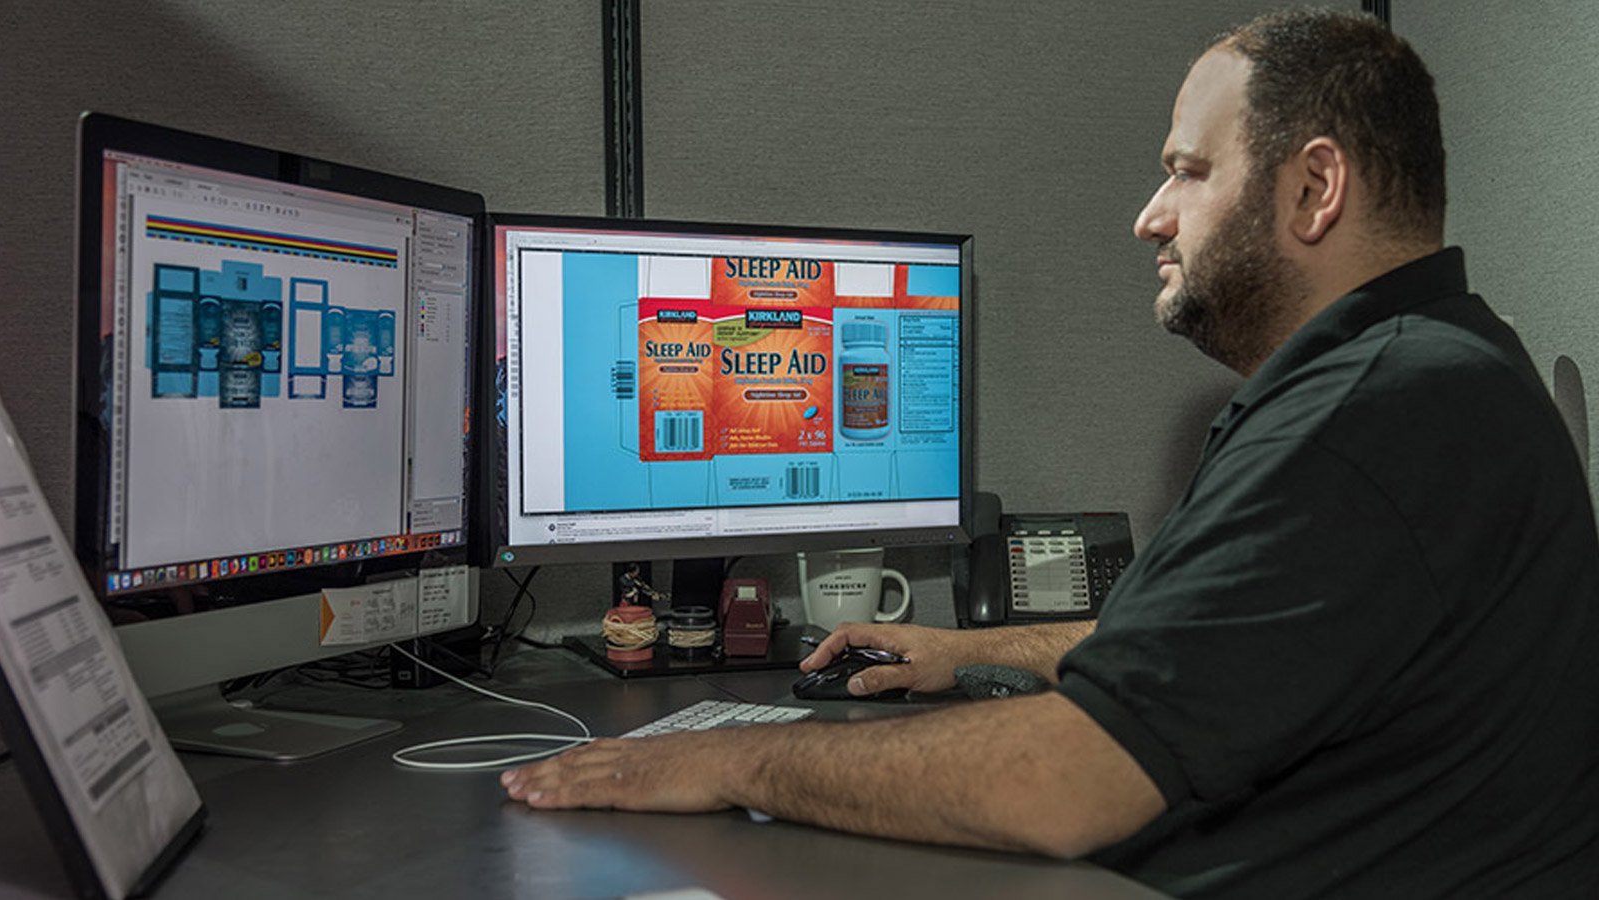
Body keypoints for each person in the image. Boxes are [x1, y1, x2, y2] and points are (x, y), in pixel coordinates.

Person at [503, 10, 1599, 896]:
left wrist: (721, 758)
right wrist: (970, 651)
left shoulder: (1377, 409)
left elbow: (1060, 789)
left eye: (1186, 169)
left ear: (1314, 187)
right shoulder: (1433, 365)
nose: (1148, 216)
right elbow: (1227, 650)